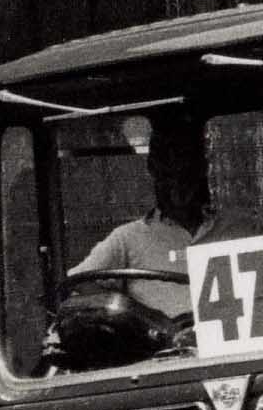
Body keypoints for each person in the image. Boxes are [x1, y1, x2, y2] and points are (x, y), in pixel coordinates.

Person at [68, 113, 243, 318]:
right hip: (163, 347)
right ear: (152, 169)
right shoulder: (127, 238)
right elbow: (78, 281)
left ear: (202, 168)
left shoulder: (241, 227)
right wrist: (144, 317)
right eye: (167, 170)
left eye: (186, 169)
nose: (177, 179)